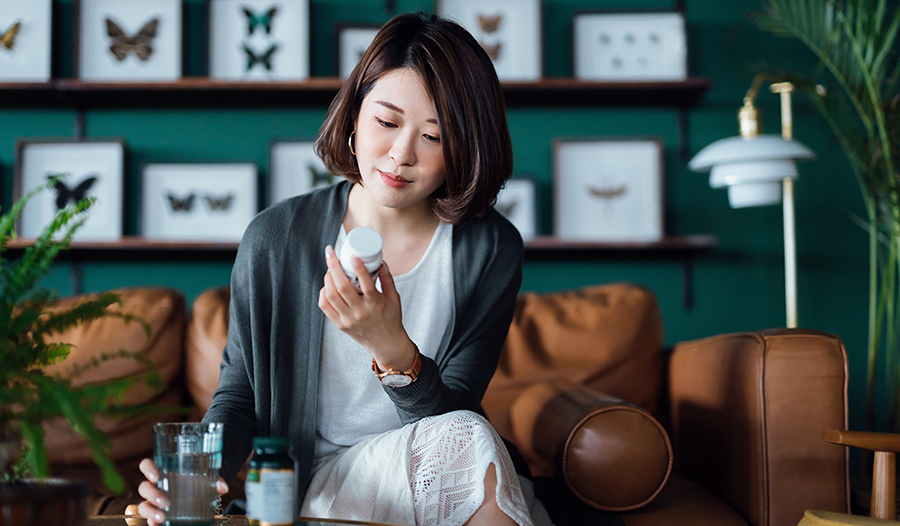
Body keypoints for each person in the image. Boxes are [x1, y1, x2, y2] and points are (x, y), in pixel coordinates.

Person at [138, 11, 550, 526]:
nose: (401, 155)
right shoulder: (275, 238)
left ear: (464, 149)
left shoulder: (488, 248)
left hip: (439, 468)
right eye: (387, 121)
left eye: (434, 137)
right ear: (354, 115)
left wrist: (390, 347)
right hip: (318, 483)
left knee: (470, 440)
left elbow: (454, 418)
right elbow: (239, 392)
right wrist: (200, 476)